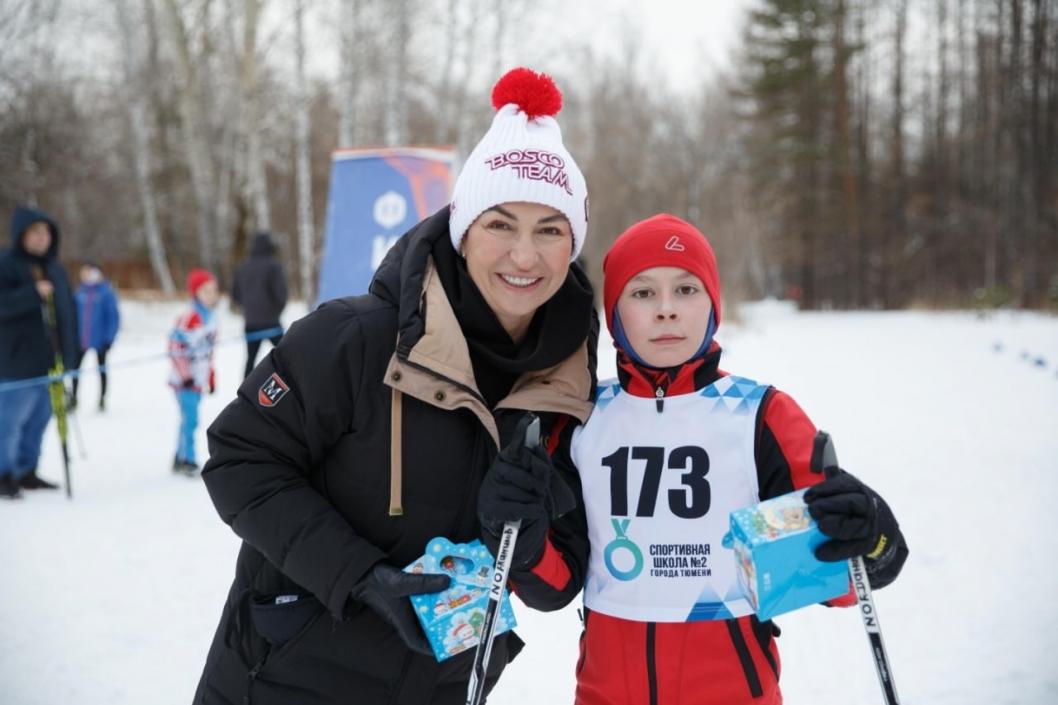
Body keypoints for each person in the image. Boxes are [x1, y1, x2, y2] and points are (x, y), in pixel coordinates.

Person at [193, 67, 597, 705]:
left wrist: (523, 539)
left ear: (572, 243)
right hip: (286, 677)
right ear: (464, 231)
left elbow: (557, 585)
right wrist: (361, 577)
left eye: (550, 229)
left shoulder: (571, 386)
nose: (525, 255)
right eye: (501, 224)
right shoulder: (354, 339)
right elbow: (239, 460)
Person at [560, 214, 908, 704]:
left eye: (686, 289)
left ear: (712, 304)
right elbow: (551, 578)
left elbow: (837, 576)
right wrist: (520, 526)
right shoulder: (582, 418)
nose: (666, 310)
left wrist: (871, 541)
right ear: (614, 312)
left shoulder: (759, 415)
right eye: (642, 293)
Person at [0, 206, 77, 498]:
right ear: (21, 234)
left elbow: (69, 313)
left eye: (46, 232)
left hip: (51, 365)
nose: (41, 238)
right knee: (8, 425)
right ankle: (3, 474)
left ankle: (26, 471)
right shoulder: (6, 265)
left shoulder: (55, 268)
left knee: (39, 421)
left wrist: (71, 355)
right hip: (15, 363)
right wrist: (32, 293)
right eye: (35, 232)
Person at [169, 268, 219, 475]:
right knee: (191, 419)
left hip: (198, 379)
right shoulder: (188, 317)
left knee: (188, 419)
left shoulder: (212, 319)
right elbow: (174, 349)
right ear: (195, 293)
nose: (210, 295)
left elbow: (209, 352)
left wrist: (211, 376)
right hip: (184, 381)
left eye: (213, 290)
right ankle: (187, 459)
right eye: (205, 291)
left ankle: (178, 456)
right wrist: (186, 376)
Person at [231, 231, 288, 379]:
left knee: (250, 360)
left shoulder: (243, 266)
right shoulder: (273, 266)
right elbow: (281, 294)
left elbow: (235, 295)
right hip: (271, 322)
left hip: (251, 322)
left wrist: (248, 309)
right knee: (287, 355)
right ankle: (297, 387)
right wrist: (275, 312)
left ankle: (244, 395)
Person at [72, 260, 120, 411]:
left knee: (101, 370)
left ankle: (102, 399)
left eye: (89, 271)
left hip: (100, 340)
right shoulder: (80, 292)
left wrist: (109, 338)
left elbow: (113, 317)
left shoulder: (105, 292)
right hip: (81, 340)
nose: (85, 275)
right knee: (75, 369)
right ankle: (72, 398)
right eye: (83, 272)